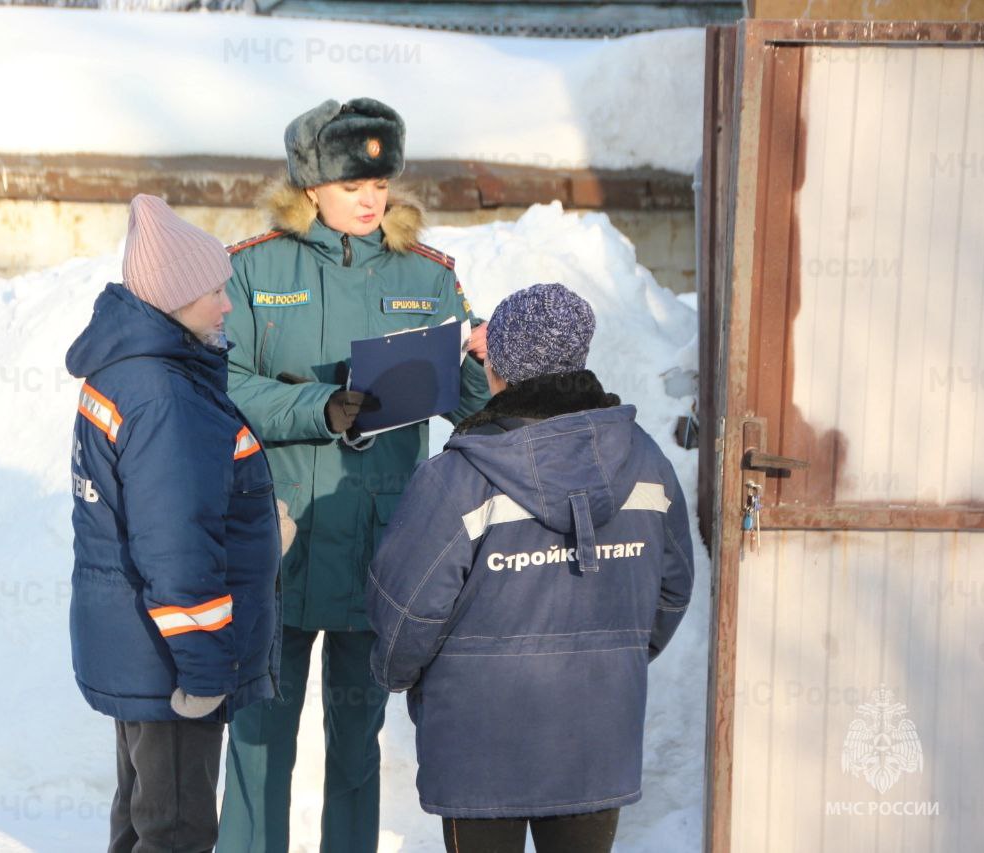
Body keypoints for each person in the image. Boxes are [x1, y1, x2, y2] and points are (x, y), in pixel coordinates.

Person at [218, 97, 491, 853]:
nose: (372, 198)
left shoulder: (427, 276)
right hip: (278, 544)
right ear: (310, 185)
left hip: (379, 547)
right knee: (258, 742)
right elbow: (225, 385)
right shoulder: (252, 268)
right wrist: (317, 407)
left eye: (380, 181)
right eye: (351, 184)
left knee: (357, 747)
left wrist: (480, 359)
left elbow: (471, 406)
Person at [367, 283, 695, 853]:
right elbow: (672, 590)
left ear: (499, 369)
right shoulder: (645, 460)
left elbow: (406, 612)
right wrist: (609, 655)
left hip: (477, 741)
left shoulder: (457, 479)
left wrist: (402, 678)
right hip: (597, 734)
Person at [66, 194, 284, 853]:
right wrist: (203, 670)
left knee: (142, 820)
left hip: (139, 647)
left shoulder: (127, 370)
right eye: (214, 290)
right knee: (178, 831)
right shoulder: (165, 395)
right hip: (172, 666)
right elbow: (177, 547)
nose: (225, 304)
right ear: (174, 298)